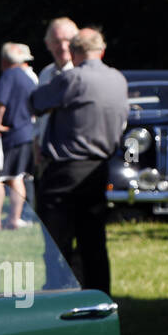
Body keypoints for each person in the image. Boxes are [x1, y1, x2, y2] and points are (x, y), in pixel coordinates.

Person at [29, 28, 128, 295]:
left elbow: (36, 102)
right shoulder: (119, 79)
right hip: (100, 168)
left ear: (74, 52)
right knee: (93, 241)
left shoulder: (73, 78)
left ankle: (58, 297)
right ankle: (99, 297)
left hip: (65, 170)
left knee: (57, 242)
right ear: (102, 51)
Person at [0, 43, 36, 230]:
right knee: (17, 177)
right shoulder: (28, 79)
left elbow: (0, 102)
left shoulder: (8, 76)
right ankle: (15, 218)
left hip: (8, 136)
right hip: (26, 133)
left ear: (3, 61)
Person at [34, 16, 77, 172]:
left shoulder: (83, 75)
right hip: (47, 156)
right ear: (48, 44)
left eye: (68, 40)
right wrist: (36, 141)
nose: (63, 46)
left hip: (74, 156)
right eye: (57, 41)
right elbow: (39, 116)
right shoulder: (45, 74)